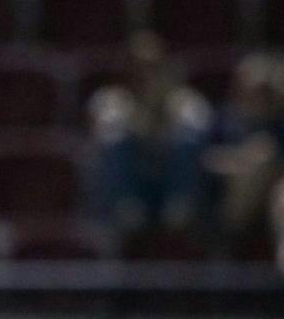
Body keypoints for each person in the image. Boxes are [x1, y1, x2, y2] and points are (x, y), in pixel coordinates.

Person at [204, 53, 284, 277]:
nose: (259, 96)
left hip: (275, 199)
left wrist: (277, 164)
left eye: (264, 90)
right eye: (253, 89)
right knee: (259, 158)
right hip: (235, 202)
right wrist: (244, 161)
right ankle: (225, 257)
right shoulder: (225, 120)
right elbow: (206, 160)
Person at [89, 31, 212, 239]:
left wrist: (163, 105)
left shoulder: (184, 99)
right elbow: (104, 134)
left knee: (187, 142)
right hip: (132, 182)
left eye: (153, 67)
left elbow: (201, 129)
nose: (146, 74)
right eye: (138, 68)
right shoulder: (111, 98)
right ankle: (128, 211)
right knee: (116, 141)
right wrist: (146, 111)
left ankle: (180, 210)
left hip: (169, 179)